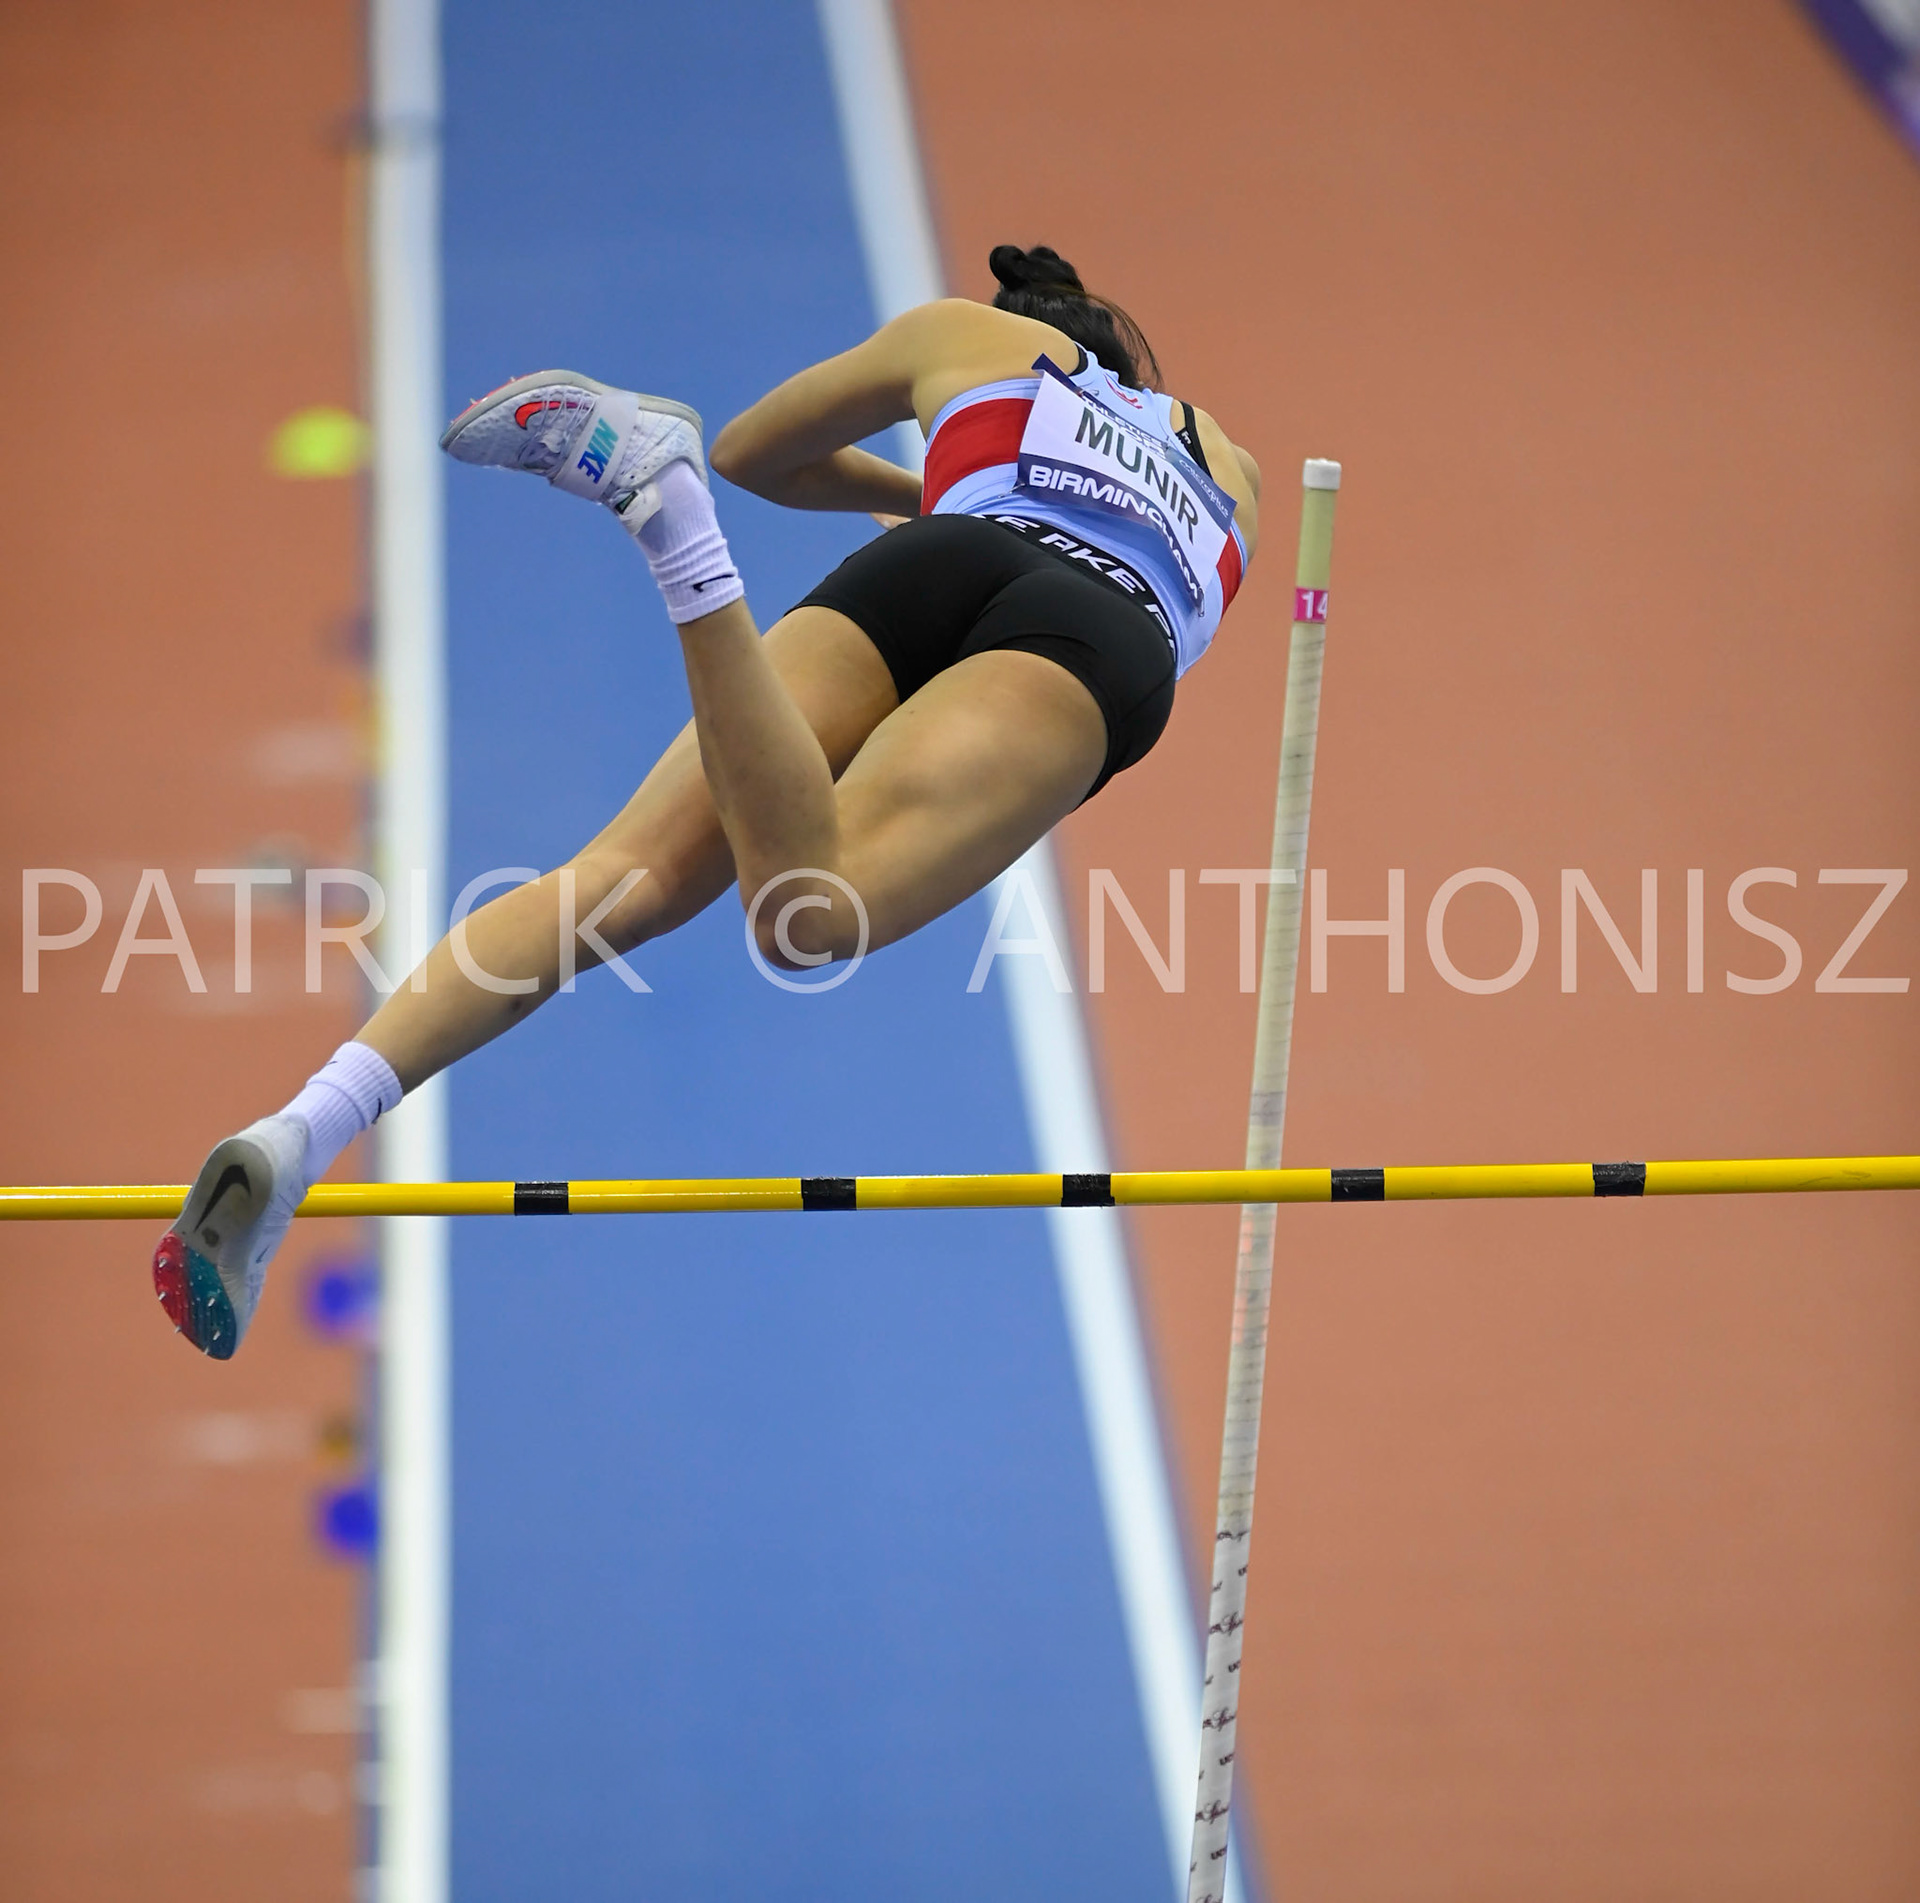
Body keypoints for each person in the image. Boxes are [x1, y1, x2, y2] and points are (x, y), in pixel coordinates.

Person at [152, 244, 1262, 1358]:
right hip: (1096, 628)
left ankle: (299, 1132)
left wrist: (924, 492)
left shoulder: (962, 336)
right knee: (805, 917)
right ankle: (669, 526)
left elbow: (753, 451)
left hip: (943, 552)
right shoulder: (1231, 465)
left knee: (614, 883)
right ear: (1134, 362)